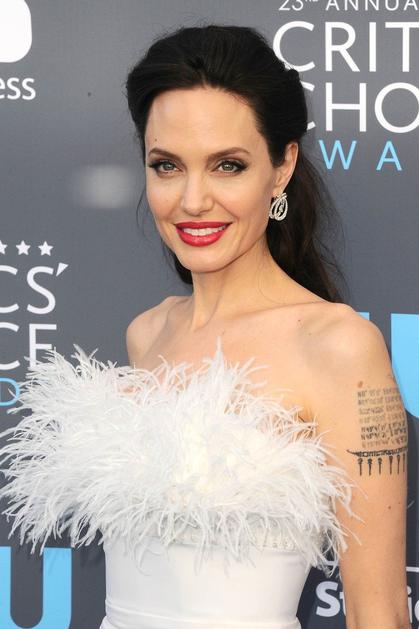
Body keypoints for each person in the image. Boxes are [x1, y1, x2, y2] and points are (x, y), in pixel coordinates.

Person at [0, 23, 410, 629]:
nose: (193, 201)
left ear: (281, 167)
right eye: (167, 166)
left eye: (228, 166)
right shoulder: (149, 334)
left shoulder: (337, 346)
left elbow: (379, 615)